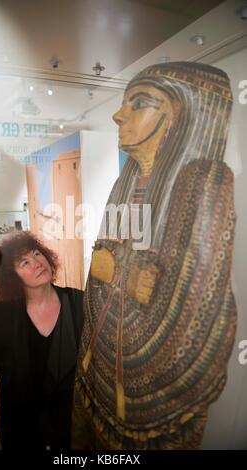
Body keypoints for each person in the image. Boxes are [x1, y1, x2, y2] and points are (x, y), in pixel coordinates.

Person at [73, 62, 237, 450]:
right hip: (101, 365)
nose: (118, 114)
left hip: (151, 385)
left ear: (182, 114)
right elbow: (102, 263)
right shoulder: (125, 179)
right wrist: (119, 274)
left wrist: (120, 274)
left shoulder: (203, 181)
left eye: (140, 103)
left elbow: (196, 299)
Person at [0, 231, 84, 450]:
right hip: (21, 427)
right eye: (24, 262)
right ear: (11, 276)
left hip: (72, 423)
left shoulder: (79, 302)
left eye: (37, 254)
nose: (37, 263)